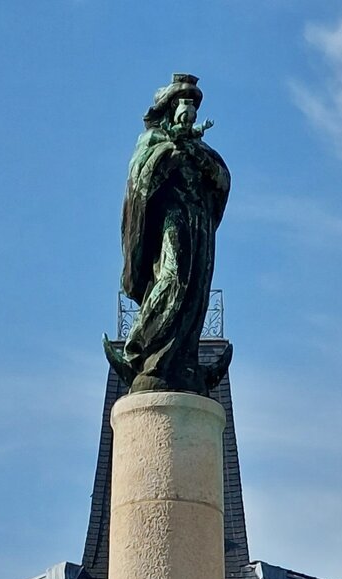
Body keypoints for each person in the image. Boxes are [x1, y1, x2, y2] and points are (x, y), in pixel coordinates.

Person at [109, 73, 232, 395]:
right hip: (171, 219)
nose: (188, 112)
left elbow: (221, 181)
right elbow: (141, 182)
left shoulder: (202, 149)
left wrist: (198, 158)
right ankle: (142, 345)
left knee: (196, 289)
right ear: (169, 109)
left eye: (192, 106)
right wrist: (173, 153)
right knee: (173, 279)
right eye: (182, 104)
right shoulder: (152, 142)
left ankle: (184, 357)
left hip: (199, 222)